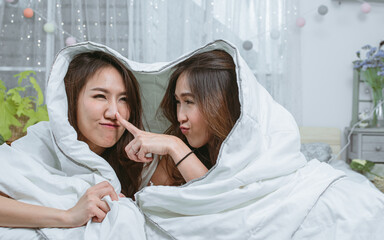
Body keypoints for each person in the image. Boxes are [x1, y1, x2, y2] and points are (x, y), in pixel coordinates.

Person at [117, 40, 384, 239]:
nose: (180, 116)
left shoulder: (248, 142)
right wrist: (174, 146)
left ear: (220, 105)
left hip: (331, 196)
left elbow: (232, 191)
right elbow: (210, 201)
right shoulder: (175, 149)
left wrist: (175, 146)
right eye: (177, 102)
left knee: (360, 209)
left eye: (189, 102)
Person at [0, 50, 144, 230]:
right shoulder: (41, 142)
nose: (114, 113)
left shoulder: (139, 159)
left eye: (124, 99)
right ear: (69, 100)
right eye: (100, 96)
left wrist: (174, 145)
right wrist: (68, 216)